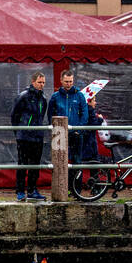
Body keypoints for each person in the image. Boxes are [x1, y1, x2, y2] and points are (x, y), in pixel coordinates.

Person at [47, 70, 89, 191]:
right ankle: (61, 188)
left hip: (75, 133)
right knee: (60, 160)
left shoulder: (79, 95)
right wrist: (55, 129)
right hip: (60, 133)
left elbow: (84, 114)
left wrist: (78, 130)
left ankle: (76, 189)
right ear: (61, 81)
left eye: (70, 81)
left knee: (76, 161)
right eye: (66, 82)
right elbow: (51, 114)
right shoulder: (55, 96)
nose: (68, 84)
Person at [11, 71, 48, 201]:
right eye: (39, 82)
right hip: (24, 135)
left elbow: (41, 115)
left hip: (37, 136)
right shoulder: (24, 96)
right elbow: (14, 115)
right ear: (33, 82)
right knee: (23, 163)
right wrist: (19, 132)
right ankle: (20, 191)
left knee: (35, 164)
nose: (41, 85)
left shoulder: (43, 98)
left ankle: (32, 189)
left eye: (43, 82)